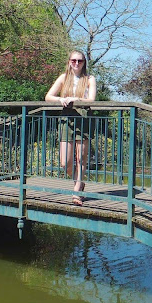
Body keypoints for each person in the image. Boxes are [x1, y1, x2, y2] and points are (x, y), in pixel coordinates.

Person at [46, 51, 97, 205]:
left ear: (84, 63)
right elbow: (48, 97)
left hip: (83, 117)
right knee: (65, 162)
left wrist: (77, 99)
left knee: (81, 158)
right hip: (66, 118)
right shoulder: (63, 78)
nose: (76, 63)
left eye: (80, 61)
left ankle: (76, 193)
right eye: (73, 60)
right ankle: (79, 183)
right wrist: (61, 99)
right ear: (69, 62)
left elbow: (92, 100)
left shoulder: (89, 79)